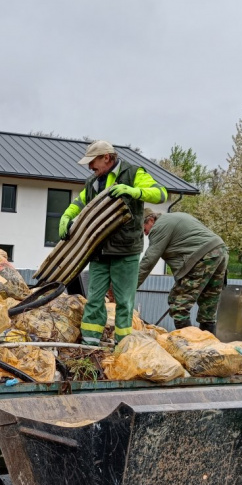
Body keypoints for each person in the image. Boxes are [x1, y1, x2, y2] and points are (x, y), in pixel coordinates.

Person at [59, 140, 168, 345]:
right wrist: (66, 216)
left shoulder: (133, 173)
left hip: (125, 251)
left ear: (106, 157)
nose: (91, 167)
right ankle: (90, 343)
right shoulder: (93, 182)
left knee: (124, 302)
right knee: (94, 299)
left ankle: (123, 344)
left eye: (93, 162)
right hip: (98, 250)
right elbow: (80, 202)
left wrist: (135, 191)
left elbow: (160, 193)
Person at [138, 210, 228, 333]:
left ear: (151, 220)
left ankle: (189, 346)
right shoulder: (175, 217)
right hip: (220, 251)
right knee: (208, 306)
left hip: (203, 256)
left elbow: (148, 261)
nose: (145, 233)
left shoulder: (159, 227)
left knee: (179, 306)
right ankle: (208, 348)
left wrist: (128, 288)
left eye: (144, 229)